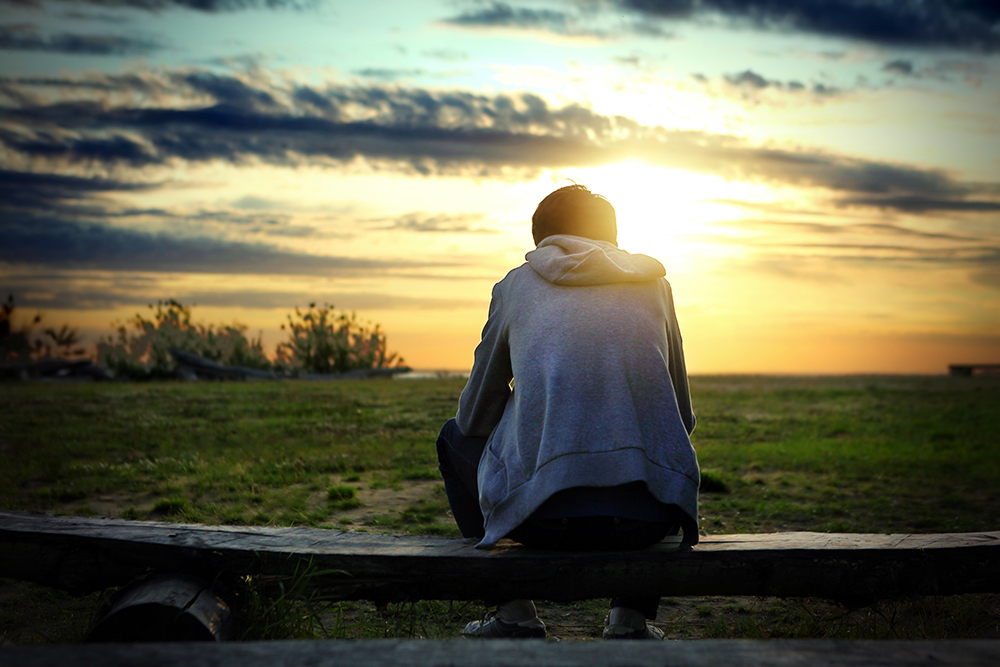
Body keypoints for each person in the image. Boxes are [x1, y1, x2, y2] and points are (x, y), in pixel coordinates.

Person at [436, 184, 699, 640]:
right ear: (613, 237)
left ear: (542, 241)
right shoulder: (656, 286)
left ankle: (514, 615)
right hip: (648, 519)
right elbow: (681, 416)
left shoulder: (516, 286)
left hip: (540, 521)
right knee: (664, 445)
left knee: (450, 438)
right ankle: (629, 622)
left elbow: (474, 419)